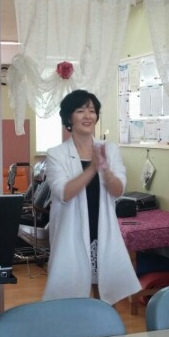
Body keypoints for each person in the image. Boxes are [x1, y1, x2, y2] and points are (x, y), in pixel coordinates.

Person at [42, 89, 141, 305]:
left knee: (106, 297)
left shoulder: (110, 149)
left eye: (92, 110)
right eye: (80, 111)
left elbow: (118, 190)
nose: (87, 116)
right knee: (71, 299)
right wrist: (93, 168)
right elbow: (64, 192)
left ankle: (106, 326)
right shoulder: (56, 154)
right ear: (69, 117)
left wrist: (106, 170)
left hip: (102, 229)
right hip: (72, 232)